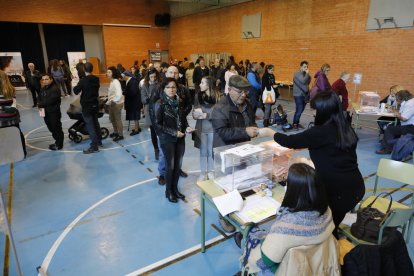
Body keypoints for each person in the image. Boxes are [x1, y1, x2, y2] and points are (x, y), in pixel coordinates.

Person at [260, 92, 365, 237]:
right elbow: (332, 152)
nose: (313, 113)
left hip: (338, 194)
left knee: (325, 230)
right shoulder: (344, 127)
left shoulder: (319, 132)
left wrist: (270, 132)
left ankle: (329, 247)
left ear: (323, 111)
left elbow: (290, 141)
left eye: (315, 109)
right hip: (355, 188)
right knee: (331, 223)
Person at [243, 163, 337, 275]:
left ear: (293, 190)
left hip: (292, 269)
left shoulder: (287, 227)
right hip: (319, 264)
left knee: (251, 232)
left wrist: (260, 238)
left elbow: (268, 260)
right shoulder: (326, 210)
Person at [211, 74, 259, 232]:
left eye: (246, 92)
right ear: (229, 89)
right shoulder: (220, 108)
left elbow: (251, 121)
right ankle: (223, 215)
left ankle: (240, 213)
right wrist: (245, 131)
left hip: (244, 150)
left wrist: (253, 129)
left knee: (243, 183)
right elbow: (223, 132)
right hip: (225, 153)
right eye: (240, 92)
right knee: (227, 188)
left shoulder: (248, 104)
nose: (243, 95)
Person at [154, 78, 193, 203]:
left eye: (173, 87)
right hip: (167, 139)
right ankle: (168, 191)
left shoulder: (179, 101)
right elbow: (157, 125)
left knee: (177, 166)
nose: (171, 89)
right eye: (168, 87)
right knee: (170, 166)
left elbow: (182, 118)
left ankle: (175, 189)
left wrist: (186, 127)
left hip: (180, 138)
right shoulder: (160, 103)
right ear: (164, 89)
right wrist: (174, 132)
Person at [193, 76, 221, 181]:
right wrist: (195, 115)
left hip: (213, 129)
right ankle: (203, 172)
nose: (200, 84)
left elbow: (220, 114)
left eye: (202, 83)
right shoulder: (198, 96)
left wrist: (207, 116)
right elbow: (195, 110)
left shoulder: (219, 97)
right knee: (203, 152)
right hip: (202, 128)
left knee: (211, 151)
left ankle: (211, 171)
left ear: (209, 85)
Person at [73, 62, 102, 154]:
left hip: (87, 106)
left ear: (84, 70)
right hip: (95, 104)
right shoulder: (96, 79)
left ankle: (94, 146)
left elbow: (76, 91)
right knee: (96, 123)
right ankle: (99, 141)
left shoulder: (83, 80)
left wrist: (78, 82)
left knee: (90, 126)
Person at [376, 90, 414, 154]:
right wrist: (395, 111)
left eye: (397, 98)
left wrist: (396, 114)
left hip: (411, 127)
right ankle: (390, 143)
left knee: (390, 129)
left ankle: (388, 149)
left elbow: (404, 118)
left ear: (400, 98)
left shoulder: (409, 104)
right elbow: (402, 113)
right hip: (409, 125)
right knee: (391, 125)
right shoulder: (409, 102)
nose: (396, 100)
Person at [38, 74, 64, 151]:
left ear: (51, 80)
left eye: (46, 79)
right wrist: (39, 104)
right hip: (45, 113)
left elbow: (50, 101)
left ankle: (59, 144)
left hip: (53, 113)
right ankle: (57, 141)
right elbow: (39, 98)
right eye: (43, 79)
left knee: (56, 128)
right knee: (51, 128)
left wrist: (40, 104)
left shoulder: (55, 89)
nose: (44, 81)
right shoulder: (43, 88)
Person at [141, 68, 161, 160]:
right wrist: (149, 97)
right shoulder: (145, 85)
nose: (153, 79)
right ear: (148, 77)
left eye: (154, 77)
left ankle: (163, 149)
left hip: (159, 110)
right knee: (153, 132)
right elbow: (143, 99)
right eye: (151, 77)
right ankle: (156, 150)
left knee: (161, 131)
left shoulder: (160, 84)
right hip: (149, 111)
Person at [106, 66, 124, 141]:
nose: (107, 73)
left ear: (113, 73)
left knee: (117, 119)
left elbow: (119, 93)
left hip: (116, 103)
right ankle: (116, 132)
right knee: (113, 119)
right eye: (107, 72)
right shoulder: (112, 81)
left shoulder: (116, 82)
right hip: (112, 103)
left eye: (109, 72)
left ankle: (120, 135)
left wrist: (115, 100)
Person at [292, 61, 311, 129]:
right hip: (298, 95)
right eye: (304, 67)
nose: (306, 68)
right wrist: (307, 74)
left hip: (304, 94)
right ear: (301, 67)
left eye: (307, 67)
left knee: (301, 109)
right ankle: (294, 124)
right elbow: (303, 81)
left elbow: (308, 81)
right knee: (299, 110)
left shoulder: (304, 73)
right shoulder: (297, 73)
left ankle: (296, 122)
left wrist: (307, 75)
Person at [123, 70, 142, 136]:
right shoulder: (131, 81)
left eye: (123, 76)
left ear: (126, 75)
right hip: (134, 101)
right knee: (135, 116)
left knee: (135, 116)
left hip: (135, 102)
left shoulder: (132, 81)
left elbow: (133, 92)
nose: (122, 77)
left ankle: (136, 130)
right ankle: (138, 127)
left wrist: (124, 92)